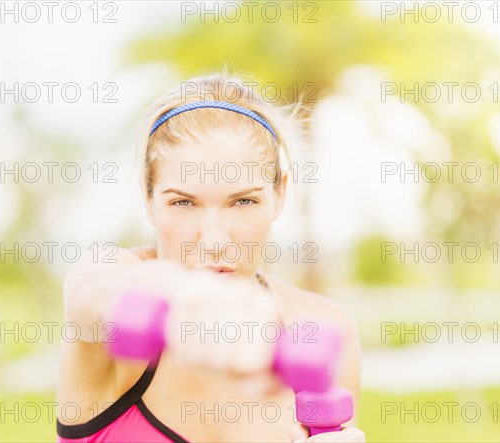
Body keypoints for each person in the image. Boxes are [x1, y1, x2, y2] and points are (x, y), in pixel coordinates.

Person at [56, 71, 366, 443]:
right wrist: (177, 295)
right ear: (148, 196)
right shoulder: (109, 293)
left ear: (280, 194)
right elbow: (92, 292)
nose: (215, 241)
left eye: (244, 201)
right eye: (183, 202)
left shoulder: (322, 328)